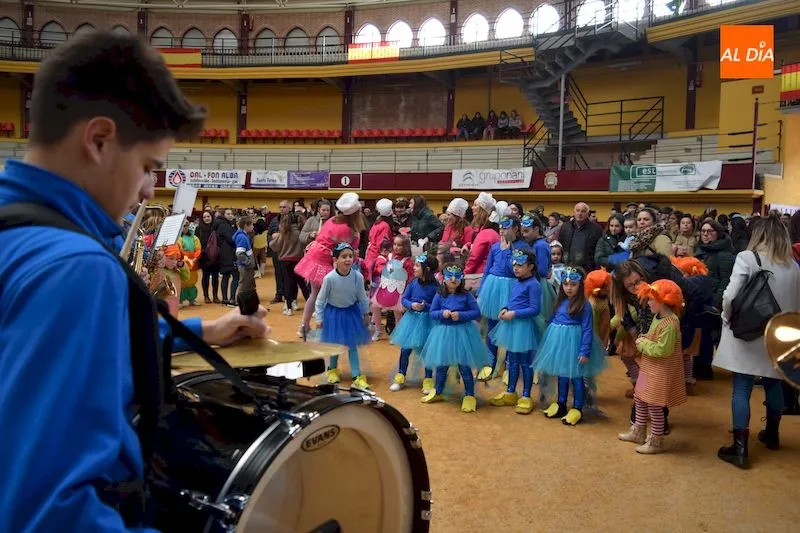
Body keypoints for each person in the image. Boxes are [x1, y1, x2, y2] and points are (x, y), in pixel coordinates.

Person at [0, 32, 269, 533]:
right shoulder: (75, 267)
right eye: (148, 167)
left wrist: (202, 331)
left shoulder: (16, 232)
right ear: (99, 140)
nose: (148, 188)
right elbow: (46, 514)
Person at [714, 216, 800, 469]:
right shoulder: (793, 266)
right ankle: (772, 434)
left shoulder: (748, 258)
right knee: (774, 382)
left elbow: (730, 295)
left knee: (742, 386)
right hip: (779, 334)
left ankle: (740, 448)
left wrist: (726, 318)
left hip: (747, 331)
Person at [617, 280, 687, 454]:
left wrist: (642, 344)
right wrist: (646, 339)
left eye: (651, 300)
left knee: (654, 405)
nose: (647, 303)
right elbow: (653, 338)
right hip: (649, 368)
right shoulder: (659, 317)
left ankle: (656, 440)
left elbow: (663, 350)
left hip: (660, 370)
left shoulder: (670, 323)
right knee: (640, 397)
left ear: (663, 300)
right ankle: (639, 431)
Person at [532, 267, 608, 426]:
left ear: (580, 285)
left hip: (574, 344)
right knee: (562, 375)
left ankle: (577, 408)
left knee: (576, 376)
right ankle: (561, 404)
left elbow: (587, 329)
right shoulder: (560, 302)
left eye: (573, 284)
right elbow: (552, 320)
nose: (569, 288)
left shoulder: (585, 305)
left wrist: (584, 351)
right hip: (558, 343)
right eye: (566, 285)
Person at [419, 263, 491, 413]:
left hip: (463, 334)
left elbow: (476, 312)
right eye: (449, 276)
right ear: (443, 279)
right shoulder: (439, 295)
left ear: (462, 278)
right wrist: (442, 313)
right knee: (441, 365)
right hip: (443, 334)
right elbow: (432, 312)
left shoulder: (466, 295)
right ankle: (438, 391)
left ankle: (470, 395)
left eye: (457, 276)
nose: (453, 279)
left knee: (464, 367)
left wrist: (461, 315)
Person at [295, 192, 365, 336]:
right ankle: (329, 329)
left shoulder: (333, 220)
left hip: (314, 256)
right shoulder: (348, 229)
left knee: (314, 295)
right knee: (329, 297)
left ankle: (304, 326)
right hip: (325, 261)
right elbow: (347, 250)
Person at [488, 249, 542, 415]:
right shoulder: (516, 282)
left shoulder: (534, 285)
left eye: (520, 265)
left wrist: (515, 313)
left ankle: (526, 395)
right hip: (511, 327)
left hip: (523, 328)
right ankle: (511, 392)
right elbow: (511, 300)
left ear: (530, 267)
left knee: (525, 362)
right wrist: (505, 308)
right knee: (511, 360)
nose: (515, 268)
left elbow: (535, 309)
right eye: (514, 264)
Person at [476, 216, 529, 381]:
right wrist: (482, 288)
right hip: (492, 288)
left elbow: (513, 270)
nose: (502, 230)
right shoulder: (494, 247)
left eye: (506, 227)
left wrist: (507, 251)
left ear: (515, 229)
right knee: (491, 328)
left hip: (510, 288)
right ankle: (489, 364)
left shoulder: (522, 247)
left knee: (509, 328)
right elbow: (488, 268)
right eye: (501, 227)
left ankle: (507, 365)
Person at [315, 243, 372, 390]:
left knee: (352, 345)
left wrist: (366, 313)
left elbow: (362, 297)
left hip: (351, 313)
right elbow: (321, 300)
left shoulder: (357, 277)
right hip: (334, 314)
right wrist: (319, 318)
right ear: (335, 259)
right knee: (336, 344)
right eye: (344, 256)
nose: (348, 259)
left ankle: (356, 375)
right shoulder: (329, 278)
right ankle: (332, 370)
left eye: (350, 256)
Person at [389, 254, 439, 392]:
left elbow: (438, 304)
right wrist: (412, 305)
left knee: (426, 351)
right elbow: (404, 299)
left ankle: (428, 380)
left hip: (428, 322)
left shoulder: (436, 287)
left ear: (426, 269)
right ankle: (400, 377)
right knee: (405, 350)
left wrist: (426, 307)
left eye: (417, 265)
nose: (414, 268)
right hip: (411, 320)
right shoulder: (412, 283)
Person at [557, 202, 603, 271]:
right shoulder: (565, 227)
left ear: (588, 214)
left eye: (583, 211)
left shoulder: (596, 229)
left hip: (587, 269)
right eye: (577, 210)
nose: (580, 213)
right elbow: (560, 245)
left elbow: (598, 250)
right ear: (574, 212)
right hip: (567, 266)